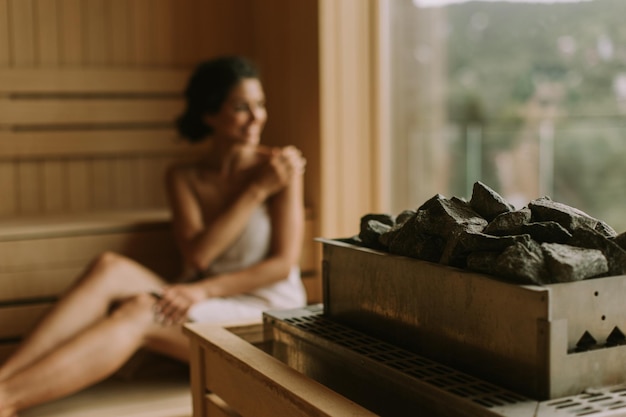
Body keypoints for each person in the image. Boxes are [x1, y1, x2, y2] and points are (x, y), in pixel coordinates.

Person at [0, 55, 307, 416]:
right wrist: (254, 193)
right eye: (241, 107)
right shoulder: (184, 176)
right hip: (205, 302)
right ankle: (3, 380)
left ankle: (8, 400)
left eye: (260, 104)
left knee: (143, 310)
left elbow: (281, 264)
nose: (257, 117)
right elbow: (198, 257)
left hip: (266, 315)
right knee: (109, 266)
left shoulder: (279, 170)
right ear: (209, 115)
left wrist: (201, 289)